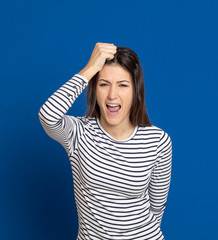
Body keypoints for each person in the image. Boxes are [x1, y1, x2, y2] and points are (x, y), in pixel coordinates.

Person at [38, 42, 172, 240]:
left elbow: (157, 206)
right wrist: (91, 68)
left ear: (136, 91)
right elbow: (48, 115)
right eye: (104, 84)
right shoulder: (78, 133)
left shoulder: (158, 141)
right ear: (93, 88)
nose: (112, 95)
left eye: (123, 85)